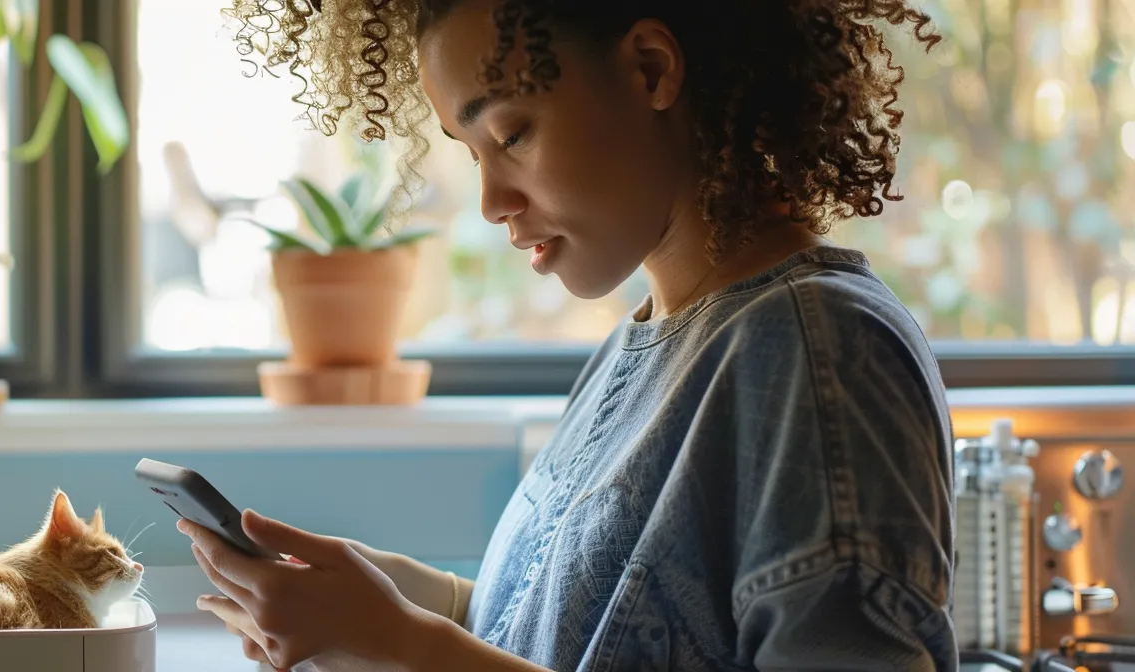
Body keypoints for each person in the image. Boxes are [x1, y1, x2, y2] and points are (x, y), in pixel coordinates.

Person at [179, 0, 957, 670]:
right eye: (471, 152)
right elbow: (573, 639)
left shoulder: (819, 354)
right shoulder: (645, 345)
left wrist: (406, 649)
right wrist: (405, 604)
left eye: (512, 135)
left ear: (651, 70)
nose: (490, 200)